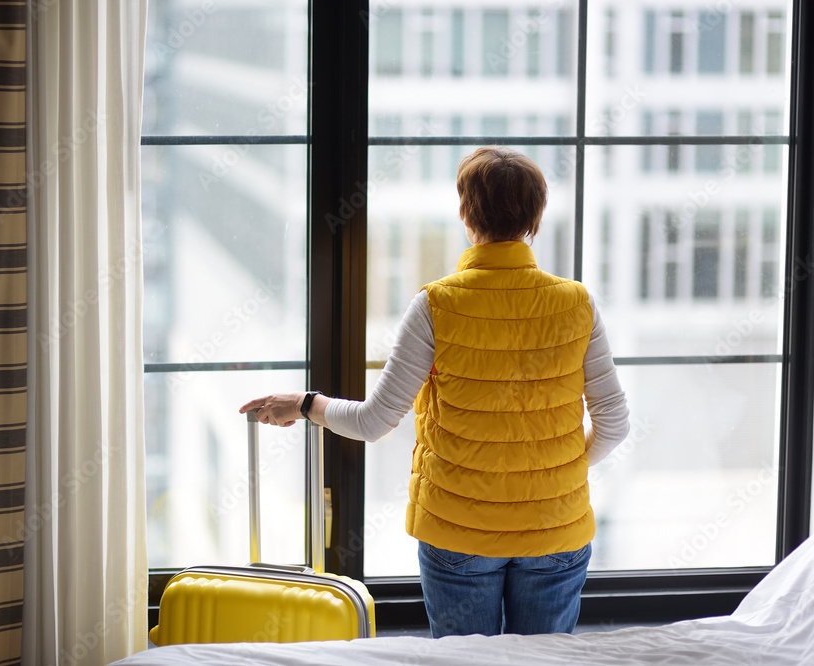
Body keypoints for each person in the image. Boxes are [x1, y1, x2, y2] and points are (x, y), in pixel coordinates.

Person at [239, 146, 630, 638]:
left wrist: (303, 404)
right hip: (556, 528)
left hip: (457, 530)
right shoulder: (577, 303)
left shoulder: (434, 305)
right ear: (535, 219)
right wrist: (556, 470)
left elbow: (374, 421)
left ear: (467, 214)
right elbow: (615, 424)